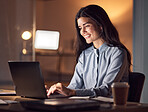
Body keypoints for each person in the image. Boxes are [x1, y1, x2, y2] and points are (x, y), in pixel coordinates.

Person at [47, 4, 131, 97]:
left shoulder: (118, 53)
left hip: (109, 108)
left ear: (100, 26)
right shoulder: (84, 55)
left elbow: (106, 90)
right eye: (80, 28)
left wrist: (72, 92)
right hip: (87, 105)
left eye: (86, 26)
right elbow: (74, 87)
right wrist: (55, 92)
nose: (82, 32)